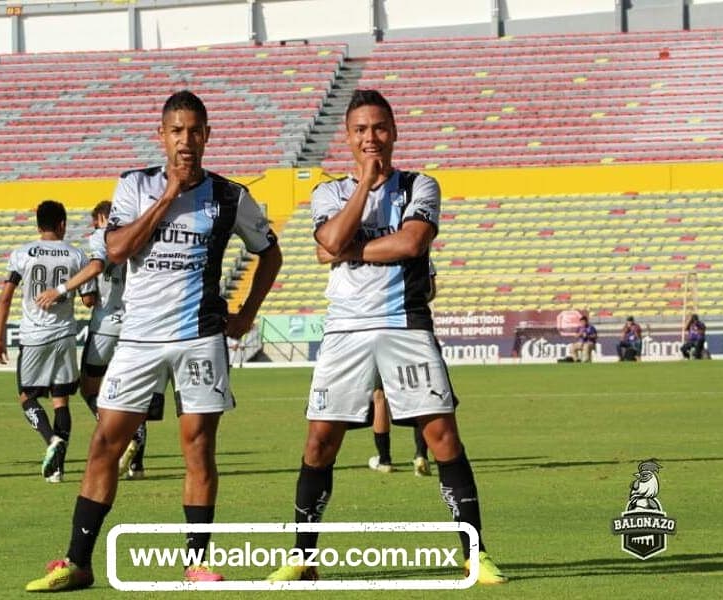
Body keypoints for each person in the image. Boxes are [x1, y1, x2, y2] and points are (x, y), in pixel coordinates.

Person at [25, 90, 282, 591]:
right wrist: (170, 195)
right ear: (161, 135)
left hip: (200, 338)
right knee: (104, 442)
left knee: (198, 445)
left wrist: (248, 312)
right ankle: (78, 562)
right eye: (176, 131)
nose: (186, 140)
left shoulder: (231, 196)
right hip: (139, 338)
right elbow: (117, 249)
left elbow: (269, 253)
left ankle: (196, 562)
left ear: (207, 135)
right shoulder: (135, 186)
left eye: (194, 131)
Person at [267, 90, 506, 584]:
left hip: (405, 323)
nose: (370, 137)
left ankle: (473, 554)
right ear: (348, 138)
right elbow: (329, 241)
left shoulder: (421, 185)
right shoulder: (330, 192)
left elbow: (413, 242)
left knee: (442, 436)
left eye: (379, 128)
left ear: (393, 132)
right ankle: (303, 558)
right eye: (360, 130)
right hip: (345, 329)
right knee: (319, 442)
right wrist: (364, 190)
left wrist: (348, 250)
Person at [35, 201, 147, 481]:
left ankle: (123, 432)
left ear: (100, 218)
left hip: (106, 326)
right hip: (136, 325)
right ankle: (137, 464)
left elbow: (90, 295)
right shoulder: (140, 237)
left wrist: (65, 290)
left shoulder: (100, 237)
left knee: (89, 387)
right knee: (131, 390)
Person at [0, 200, 94, 484]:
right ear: (62, 224)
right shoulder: (77, 256)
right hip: (64, 335)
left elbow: (5, 298)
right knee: (61, 401)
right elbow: (88, 300)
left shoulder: (22, 254)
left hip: (34, 336)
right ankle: (58, 470)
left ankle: (51, 439)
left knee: (27, 397)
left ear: (38, 225)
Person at [368, 258, 436, 477]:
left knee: (379, 397)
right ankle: (420, 456)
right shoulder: (420, 251)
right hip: (413, 328)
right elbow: (430, 290)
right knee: (420, 393)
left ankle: (385, 460)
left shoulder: (372, 250)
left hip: (379, 328)